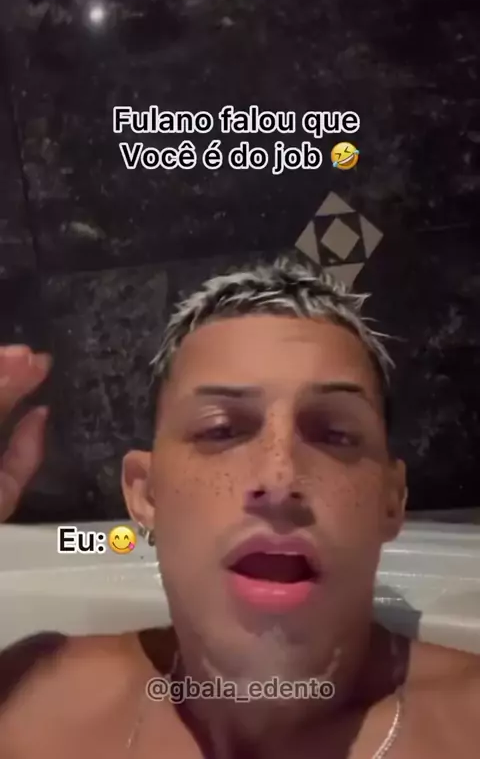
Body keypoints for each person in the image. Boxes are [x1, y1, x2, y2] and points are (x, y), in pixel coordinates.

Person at [0, 257, 478, 758]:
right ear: (146, 494)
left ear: (391, 500)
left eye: (335, 434)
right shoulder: (30, 701)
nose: (279, 480)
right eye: (221, 430)